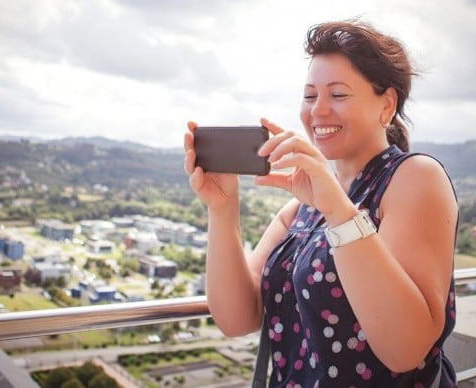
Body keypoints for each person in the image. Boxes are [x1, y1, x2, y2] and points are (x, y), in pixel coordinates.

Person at [183, 20, 458, 387]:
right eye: (310, 96)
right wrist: (222, 208)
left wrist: (338, 209)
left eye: (338, 95)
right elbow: (237, 319)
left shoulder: (413, 178)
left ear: (386, 104)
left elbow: (405, 350)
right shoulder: (300, 209)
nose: (318, 111)